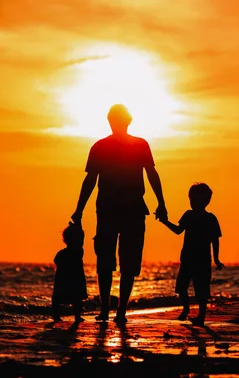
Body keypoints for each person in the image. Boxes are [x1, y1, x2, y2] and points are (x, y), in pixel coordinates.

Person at [70, 104, 168, 323]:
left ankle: (110, 310)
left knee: (111, 261)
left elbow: (90, 181)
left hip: (113, 209)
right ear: (128, 120)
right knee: (123, 262)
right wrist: (161, 203)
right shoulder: (132, 145)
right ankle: (117, 310)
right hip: (122, 209)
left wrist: (79, 209)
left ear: (111, 120)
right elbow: (91, 180)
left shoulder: (103, 146)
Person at [158, 182, 224, 327]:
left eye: (195, 199)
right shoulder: (188, 215)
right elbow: (178, 230)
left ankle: (201, 316)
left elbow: (215, 240)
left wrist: (217, 259)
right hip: (187, 259)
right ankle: (186, 308)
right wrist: (165, 222)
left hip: (203, 259)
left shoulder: (210, 219)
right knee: (181, 287)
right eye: (191, 199)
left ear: (206, 201)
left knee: (202, 289)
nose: (192, 202)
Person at [52, 221, 87, 322]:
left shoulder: (62, 253)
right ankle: (77, 316)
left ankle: (56, 315)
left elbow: (56, 261)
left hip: (63, 280)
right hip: (75, 279)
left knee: (58, 298)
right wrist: (78, 227)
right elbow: (82, 237)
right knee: (77, 299)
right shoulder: (78, 251)